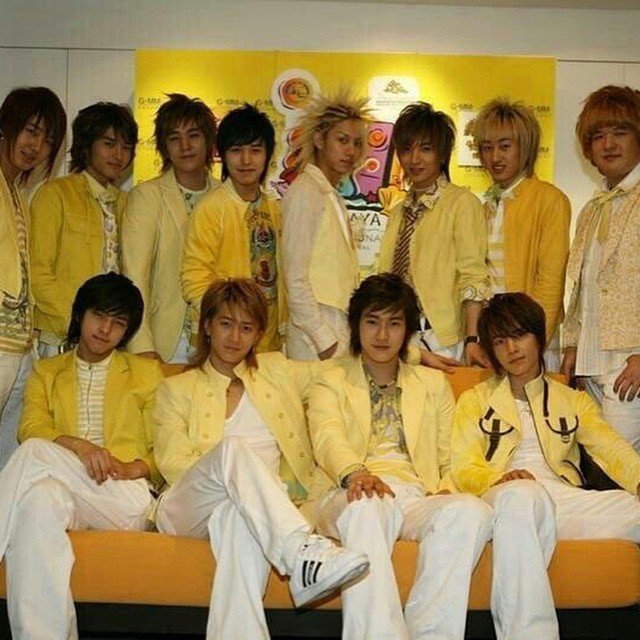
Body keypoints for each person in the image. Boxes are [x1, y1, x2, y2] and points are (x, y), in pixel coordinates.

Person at [153, 278, 369, 640]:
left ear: (257, 335)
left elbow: (344, 366)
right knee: (234, 449)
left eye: (246, 327)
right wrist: (236, 482)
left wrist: (411, 354)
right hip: (187, 507)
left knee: (237, 519)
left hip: (253, 511)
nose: (235, 337)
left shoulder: (277, 371)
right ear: (207, 326)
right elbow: (174, 464)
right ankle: (300, 551)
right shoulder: (176, 389)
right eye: (226, 324)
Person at [308, 273, 493, 640]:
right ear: (356, 325)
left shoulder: (432, 384)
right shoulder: (330, 378)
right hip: (347, 491)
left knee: (472, 511)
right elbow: (327, 436)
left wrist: (447, 487)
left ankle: (430, 633)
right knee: (367, 506)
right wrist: (356, 473)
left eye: (394, 323)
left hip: (413, 495)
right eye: (372, 322)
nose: (382, 335)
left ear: (407, 330)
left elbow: (449, 453)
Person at [451, 292, 640, 640]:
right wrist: (499, 478)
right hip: (501, 497)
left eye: (519, 335)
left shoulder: (573, 399)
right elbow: (462, 466)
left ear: (538, 337)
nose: (512, 349)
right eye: (500, 341)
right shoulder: (474, 400)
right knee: (522, 496)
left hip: (561, 503)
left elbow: (611, 449)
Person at [0, 272, 162, 640]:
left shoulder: (145, 373)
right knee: (38, 503)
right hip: (69, 492)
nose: (105, 329)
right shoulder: (47, 372)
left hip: (125, 496)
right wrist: (80, 446)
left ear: (127, 331)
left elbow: (163, 450)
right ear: (79, 315)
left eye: (118, 323)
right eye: (98, 316)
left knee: (34, 453)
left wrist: (131, 467)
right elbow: (31, 427)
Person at [378, 102, 491, 366]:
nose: (414, 159)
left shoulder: (462, 203)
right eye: (407, 149)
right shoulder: (398, 211)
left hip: (442, 338)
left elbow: (473, 274)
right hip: (397, 334)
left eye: (425, 149)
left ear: (442, 154)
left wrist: (472, 338)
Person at [561, 85, 640, 451]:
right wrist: (572, 346)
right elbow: (582, 285)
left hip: (629, 363)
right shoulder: (591, 209)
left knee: (621, 468)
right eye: (598, 136)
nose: (608, 144)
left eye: (620, 132)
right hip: (590, 362)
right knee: (599, 467)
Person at [30, 102, 138, 357]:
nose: (118, 154)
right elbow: (37, 271)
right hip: (60, 336)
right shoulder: (56, 194)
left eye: (126, 147)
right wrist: (77, 322)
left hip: (109, 341)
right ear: (86, 145)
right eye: (109, 144)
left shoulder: (127, 203)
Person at [472, 97, 571, 370]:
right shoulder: (485, 206)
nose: (495, 157)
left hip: (531, 341)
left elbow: (550, 280)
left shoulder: (549, 199)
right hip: (492, 339)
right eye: (487, 148)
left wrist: (533, 341)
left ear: (525, 147)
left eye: (505, 146)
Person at [122, 93, 218, 363]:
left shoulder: (224, 195)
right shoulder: (147, 196)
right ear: (164, 147)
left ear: (209, 140)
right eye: (174, 138)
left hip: (217, 340)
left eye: (194, 135)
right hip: (164, 341)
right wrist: (141, 344)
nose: (185, 146)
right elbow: (135, 274)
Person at [0, 86, 66, 470]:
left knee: (12, 458)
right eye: (30, 131)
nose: (36, 146)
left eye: (47, 139)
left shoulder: (19, 194)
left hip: (19, 347)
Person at [182, 103, 284, 353]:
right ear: (223, 155)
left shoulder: (275, 207)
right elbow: (194, 278)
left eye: (255, 150)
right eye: (236, 150)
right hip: (225, 342)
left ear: (268, 155)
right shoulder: (211, 208)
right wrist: (227, 322)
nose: (246, 160)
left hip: (268, 342)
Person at [280, 90, 369, 361]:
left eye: (357, 143)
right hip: (314, 339)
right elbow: (294, 277)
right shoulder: (305, 191)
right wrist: (324, 341)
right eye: (342, 140)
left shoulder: (329, 194)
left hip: (337, 330)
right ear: (319, 139)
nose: (351, 151)